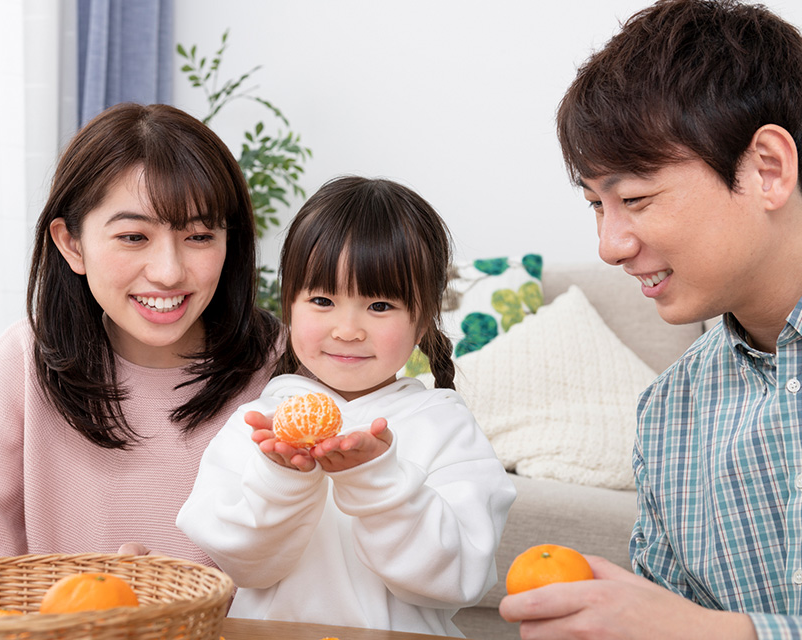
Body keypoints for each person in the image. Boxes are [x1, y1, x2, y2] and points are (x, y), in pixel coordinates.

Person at [498, 1, 802, 638]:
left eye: (634, 198)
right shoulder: (671, 414)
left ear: (767, 169)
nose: (610, 245)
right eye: (596, 205)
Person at [0, 103, 281, 569]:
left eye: (199, 236)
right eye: (134, 237)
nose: (169, 272)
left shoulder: (287, 366)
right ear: (72, 244)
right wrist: (54, 600)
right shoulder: (28, 361)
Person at [176, 176, 516, 636]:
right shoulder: (257, 426)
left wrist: (377, 480)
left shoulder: (445, 427)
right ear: (289, 307)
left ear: (422, 322)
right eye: (322, 300)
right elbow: (243, 567)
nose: (348, 329)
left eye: (379, 305)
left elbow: (457, 579)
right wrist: (282, 479)